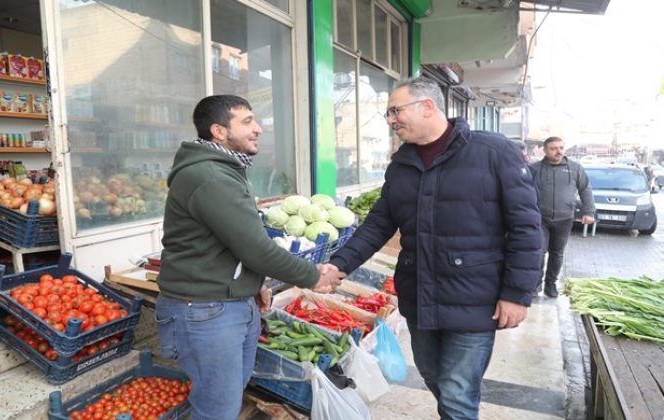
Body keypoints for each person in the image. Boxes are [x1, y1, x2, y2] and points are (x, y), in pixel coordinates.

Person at [324, 77, 543, 420]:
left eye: (396, 110)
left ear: (427, 106)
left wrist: (517, 293)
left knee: (457, 393)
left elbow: (526, 227)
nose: (391, 120)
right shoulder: (402, 164)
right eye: (388, 113)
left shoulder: (494, 152)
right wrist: (338, 265)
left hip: (476, 298)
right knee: (433, 377)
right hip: (420, 295)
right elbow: (379, 224)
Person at [156, 94, 345, 420]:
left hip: (225, 304)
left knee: (227, 398)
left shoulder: (224, 169)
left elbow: (229, 240)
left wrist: (249, 281)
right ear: (218, 131)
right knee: (217, 409)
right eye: (247, 122)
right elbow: (254, 247)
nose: (258, 129)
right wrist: (315, 276)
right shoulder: (211, 176)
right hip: (204, 309)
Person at [530, 136, 595, 298]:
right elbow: (524, 192)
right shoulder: (534, 169)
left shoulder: (575, 168)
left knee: (557, 253)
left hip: (564, 218)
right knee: (538, 252)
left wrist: (589, 212)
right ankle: (535, 286)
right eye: (553, 148)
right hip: (540, 219)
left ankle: (551, 284)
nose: (558, 151)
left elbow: (585, 190)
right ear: (544, 151)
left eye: (561, 147)